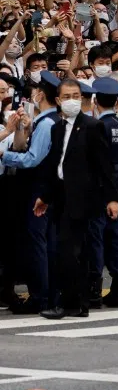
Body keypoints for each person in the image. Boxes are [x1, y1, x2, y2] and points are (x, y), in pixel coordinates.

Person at [33, 78, 118, 319]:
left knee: (69, 252)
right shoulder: (57, 127)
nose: (72, 100)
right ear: (59, 100)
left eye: (76, 96)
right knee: (71, 252)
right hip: (62, 197)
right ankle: (79, 303)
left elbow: (105, 165)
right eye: (67, 96)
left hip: (83, 200)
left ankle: (69, 303)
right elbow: (56, 164)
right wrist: (45, 197)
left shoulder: (92, 126)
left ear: (82, 98)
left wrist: (112, 199)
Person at [0, 71, 62, 314]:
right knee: (45, 244)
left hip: (39, 189)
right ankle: (46, 294)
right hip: (44, 189)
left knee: (39, 245)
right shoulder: (50, 122)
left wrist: (6, 155)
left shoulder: (47, 124)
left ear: (39, 94)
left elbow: (32, 159)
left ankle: (41, 296)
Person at [89, 77, 118, 307]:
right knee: (115, 238)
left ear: (95, 101)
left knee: (96, 239)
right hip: (117, 189)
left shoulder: (97, 126)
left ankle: (94, 288)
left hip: (98, 190)